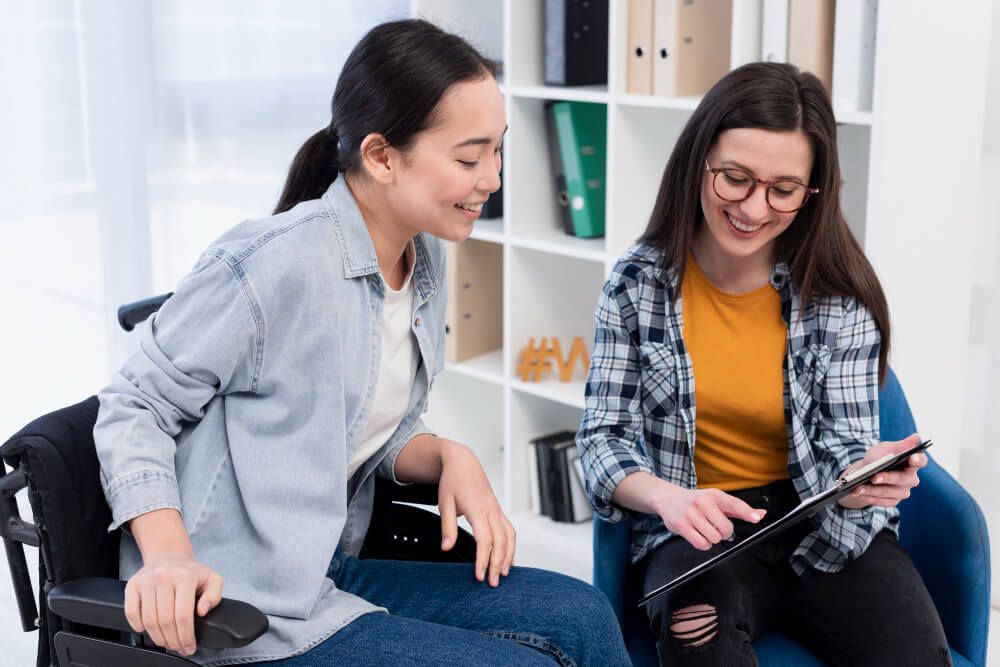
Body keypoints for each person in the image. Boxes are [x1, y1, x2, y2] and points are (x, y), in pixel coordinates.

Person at [94, 19, 629, 667]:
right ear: (381, 157)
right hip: (234, 605)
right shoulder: (273, 263)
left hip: (326, 569)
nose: (492, 177)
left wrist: (445, 453)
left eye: (498, 150)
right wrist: (170, 557)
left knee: (584, 614)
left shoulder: (421, 255)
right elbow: (134, 405)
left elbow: (369, 424)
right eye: (468, 157)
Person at [576, 61, 951, 666]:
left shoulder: (839, 296)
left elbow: (842, 449)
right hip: (700, 528)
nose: (754, 208)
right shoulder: (637, 284)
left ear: (812, 192)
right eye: (735, 178)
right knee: (698, 638)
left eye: (783, 189)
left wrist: (862, 483)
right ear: (699, 160)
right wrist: (669, 499)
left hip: (823, 525)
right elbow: (601, 440)